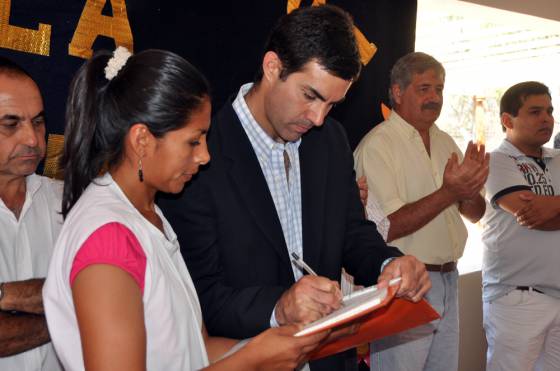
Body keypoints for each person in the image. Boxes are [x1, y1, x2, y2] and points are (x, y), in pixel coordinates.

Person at [158, 5, 430, 370]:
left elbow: (350, 232)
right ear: (273, 67)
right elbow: (200, 294)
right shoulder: (202, 153)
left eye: (332, 104)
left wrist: (390, 262)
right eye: (311, 96)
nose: (318, 118)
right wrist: (279, 307)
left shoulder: (330, 141)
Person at [42, 47, 328, 371]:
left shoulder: (149, 214)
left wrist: (281, 347)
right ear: (142, 141)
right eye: (194, 141)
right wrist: (253, 359)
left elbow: (196, 349)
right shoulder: (108, 237)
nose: (205, 156)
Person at [354, 51, 488, 371]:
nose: (434, 98)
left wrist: (468, 190)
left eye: (439, 89)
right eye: (424, 88)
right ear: (398, 93)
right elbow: (384, 228)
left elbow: (476, 212)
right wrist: (449, 192)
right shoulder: (378, 145)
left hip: (449, 278)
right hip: (405, 286)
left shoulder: (445, 142)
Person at [481, 81, 560, 371]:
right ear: (507, 120)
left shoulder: (559, 159)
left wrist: (550, 206)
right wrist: (545, 208)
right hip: (517, 297)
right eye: (535, 111)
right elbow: (529, 213)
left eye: (550, 111)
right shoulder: (496, 160)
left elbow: (544, 213)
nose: (547, 118)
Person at [0, 57, 62, 370]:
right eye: (10, 124)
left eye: (37, 122)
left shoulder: (70, 204)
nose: (32, 139)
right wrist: (77, 317)